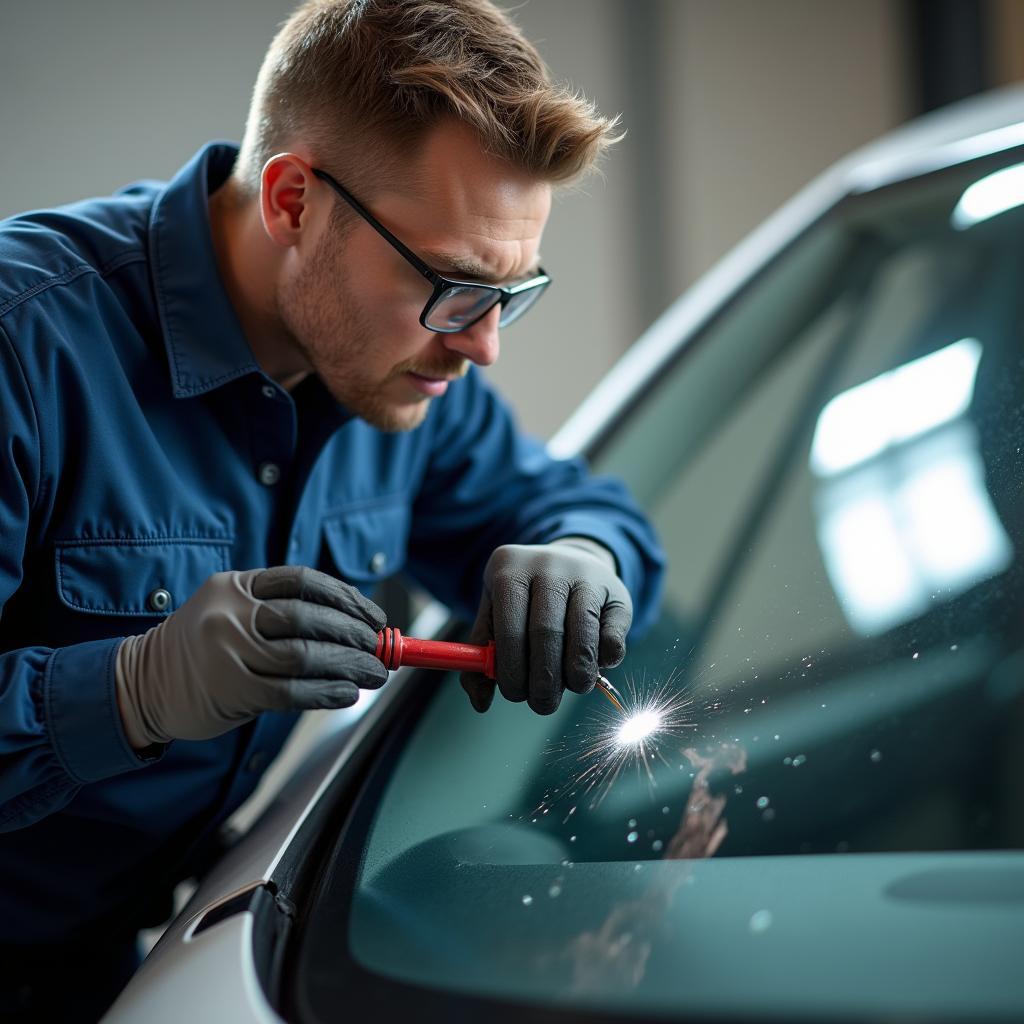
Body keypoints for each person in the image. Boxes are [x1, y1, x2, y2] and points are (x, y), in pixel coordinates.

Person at [0, 0, 664, 1018]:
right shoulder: (26, 346)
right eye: (453, 284)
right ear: (293, 200)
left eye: (511, 290)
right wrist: (130, 690)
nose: (483, 345)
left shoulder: (399, 367)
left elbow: (569, 504)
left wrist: (585, 550)